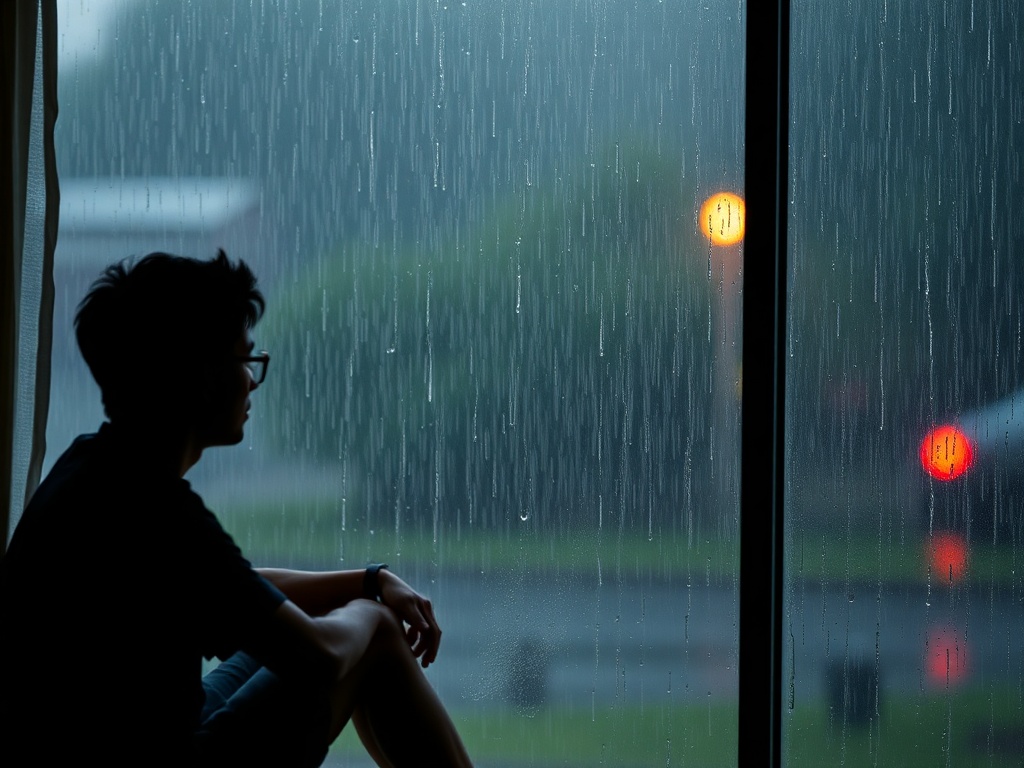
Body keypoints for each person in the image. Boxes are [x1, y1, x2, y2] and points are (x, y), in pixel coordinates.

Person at [0, 251, 473, 767]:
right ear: (201, 374)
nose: (252, 381)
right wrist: (369, 610)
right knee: (372, 631)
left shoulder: (93, 470)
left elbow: (235, 588)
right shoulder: (161, 512)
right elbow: (322, 657)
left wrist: (368, 581)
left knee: (351, 619)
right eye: (245, 361)